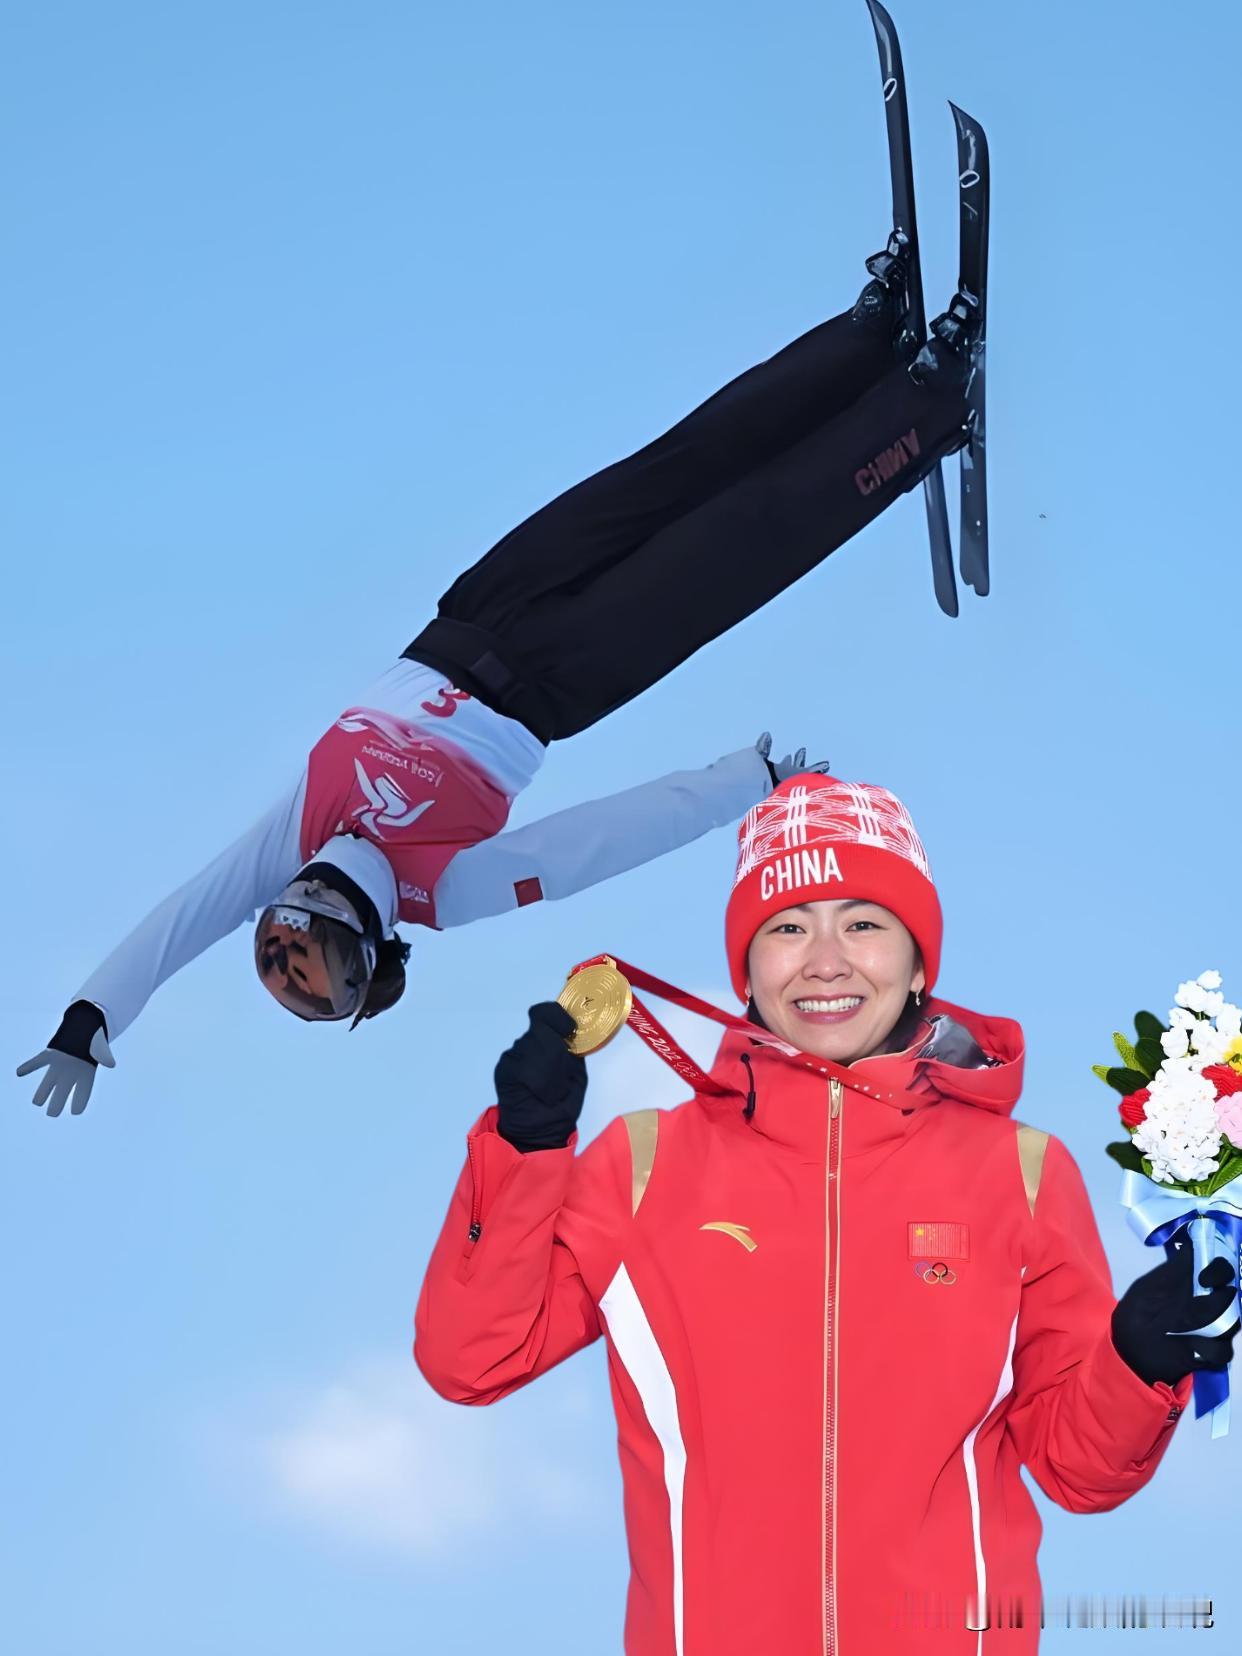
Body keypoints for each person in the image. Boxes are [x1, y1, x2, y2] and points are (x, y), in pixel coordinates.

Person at [18, 242, 975, 1119]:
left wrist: (90, 1015)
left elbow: (182, 916)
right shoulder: (443, 889)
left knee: (676, 466)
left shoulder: (296, 831)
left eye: (277, 933)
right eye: (305, 948)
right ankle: (926, 407)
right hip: (562, 674)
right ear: (347, 935)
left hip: (474, 610)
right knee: (743, 532)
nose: (283, 916)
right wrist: (742, 783)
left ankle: (862, 344)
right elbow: (594, 843)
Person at [414, 772, 1239, 1655]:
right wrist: (527, 1149)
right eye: (787, 927)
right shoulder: (645, 1164)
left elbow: (1077, 1471)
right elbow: (472, 1358)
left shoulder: (1023, 1173)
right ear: (746, 968)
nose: (825, 960)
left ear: (920, 961)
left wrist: (1136, 1363)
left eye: (865, 923)